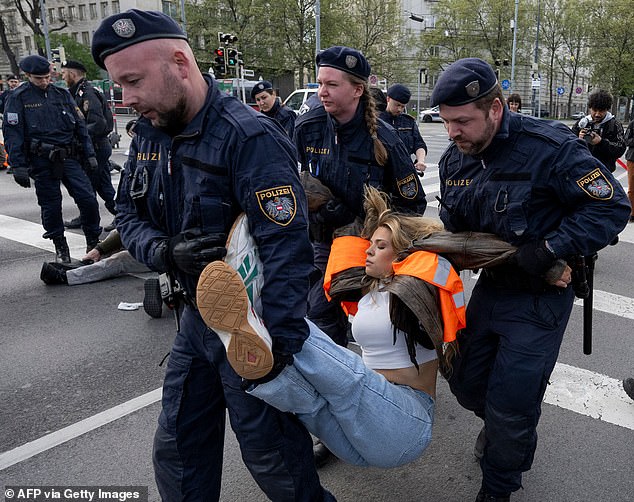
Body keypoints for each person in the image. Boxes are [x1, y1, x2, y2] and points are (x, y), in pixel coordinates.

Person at [91, 9, 334, 501]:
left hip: (252, 331)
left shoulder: (250, 138)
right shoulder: (148, 136)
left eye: (133, 82)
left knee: (276, 463)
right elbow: (127, 214)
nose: (126, 99)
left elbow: (288, 252)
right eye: (119, 86)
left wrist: (278, 350)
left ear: (180, 62)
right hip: (195, 327)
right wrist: (164, 250)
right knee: (179, 452)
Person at [431, 57, 630, 502]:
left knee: (512, 403)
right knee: (465, 381)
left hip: (540, 296)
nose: (453, 133)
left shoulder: (549, 148)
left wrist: (548, 250)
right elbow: (455, 225)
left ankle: (499, 484)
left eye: (463, 121)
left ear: (496, 108)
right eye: (446, 122)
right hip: (493, 287)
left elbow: (611, 207)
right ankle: (503, 432)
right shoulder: (454, 160)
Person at [195, 186, 465, 468]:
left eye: (380, 246)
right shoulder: (368, 291)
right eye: (370, 244)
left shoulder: (418, 294)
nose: (369, 251)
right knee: (311, 404)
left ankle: (261, 311)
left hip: (405, 421)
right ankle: (265, 371)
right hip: (363, 440)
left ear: (403, 253)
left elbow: (428, 278)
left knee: (350, 379)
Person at [294, 46, 427, 465]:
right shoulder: (307, 126)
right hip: (322, 246)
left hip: (369, 248)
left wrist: (374, 228)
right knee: (319, 319)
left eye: (331, 85)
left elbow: (414, 205)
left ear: (358, 89)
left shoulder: (384, 139)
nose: (323, 92)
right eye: (320, 83)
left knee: (377, 330)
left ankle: (393, 398)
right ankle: (333, 420)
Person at [3, 55, 102, 263]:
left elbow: (80, 126)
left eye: (48, 77)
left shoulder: (61, 94)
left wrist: (90, 154)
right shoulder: (18, 97)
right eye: (39, 79)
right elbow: (13, 133)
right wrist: (18, 164)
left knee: (88, 199)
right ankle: (60, 246)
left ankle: (93, 241)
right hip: (42, 160)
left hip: (69, 157)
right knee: (51, 206)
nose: (45, 82)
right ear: (28, 76)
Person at [60, 60, 117, 232]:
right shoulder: (78, 91)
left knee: (89, 186)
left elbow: (98, 124)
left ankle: (104, 218)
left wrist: (77, 134)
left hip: (96, 147)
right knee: (102, 184)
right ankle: (117, 214)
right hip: (92, 147)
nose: (62, 77)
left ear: (73, 73)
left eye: (64, 73)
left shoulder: (88, 93)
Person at [571, 89, 626, 173]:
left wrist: (601, 142)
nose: (597, 114)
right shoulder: (582, 123)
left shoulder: (614, 124)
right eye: (594, 110)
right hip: (581, 169)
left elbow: (620, 149)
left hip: (604, 171)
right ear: (590, 108)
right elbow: (568, 145)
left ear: (607, 109)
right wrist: (578, 139)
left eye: (601, 111)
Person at [379, 83, 428, 175]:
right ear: (388, 99)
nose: (400, 109)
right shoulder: (376, 120)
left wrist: (421, 161)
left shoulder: (408, 122)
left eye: (403, 106)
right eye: (397, 105)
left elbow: (419, 144)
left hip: (404, 173)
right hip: (382, 173)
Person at [624, 118, 634, 221]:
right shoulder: (633, 123)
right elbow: (626, 140)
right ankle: (632, 213)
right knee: (632, 188)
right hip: (633, 159)